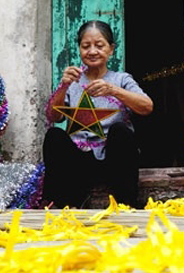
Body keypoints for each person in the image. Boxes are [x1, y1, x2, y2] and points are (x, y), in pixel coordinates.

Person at [42, 20, 153, 208]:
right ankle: (63, 205)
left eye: (99, 45)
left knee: (121, 132)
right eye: (86, 46)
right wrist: (64, 86)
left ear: (111, 49)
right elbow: (53, 117)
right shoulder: (73, 80)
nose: (92, 51)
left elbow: (147, 106)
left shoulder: (121, 79)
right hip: (79, 160)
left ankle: (126, 203)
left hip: (113, 160)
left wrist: (113, 90)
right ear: (79, 49)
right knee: (54, 136)